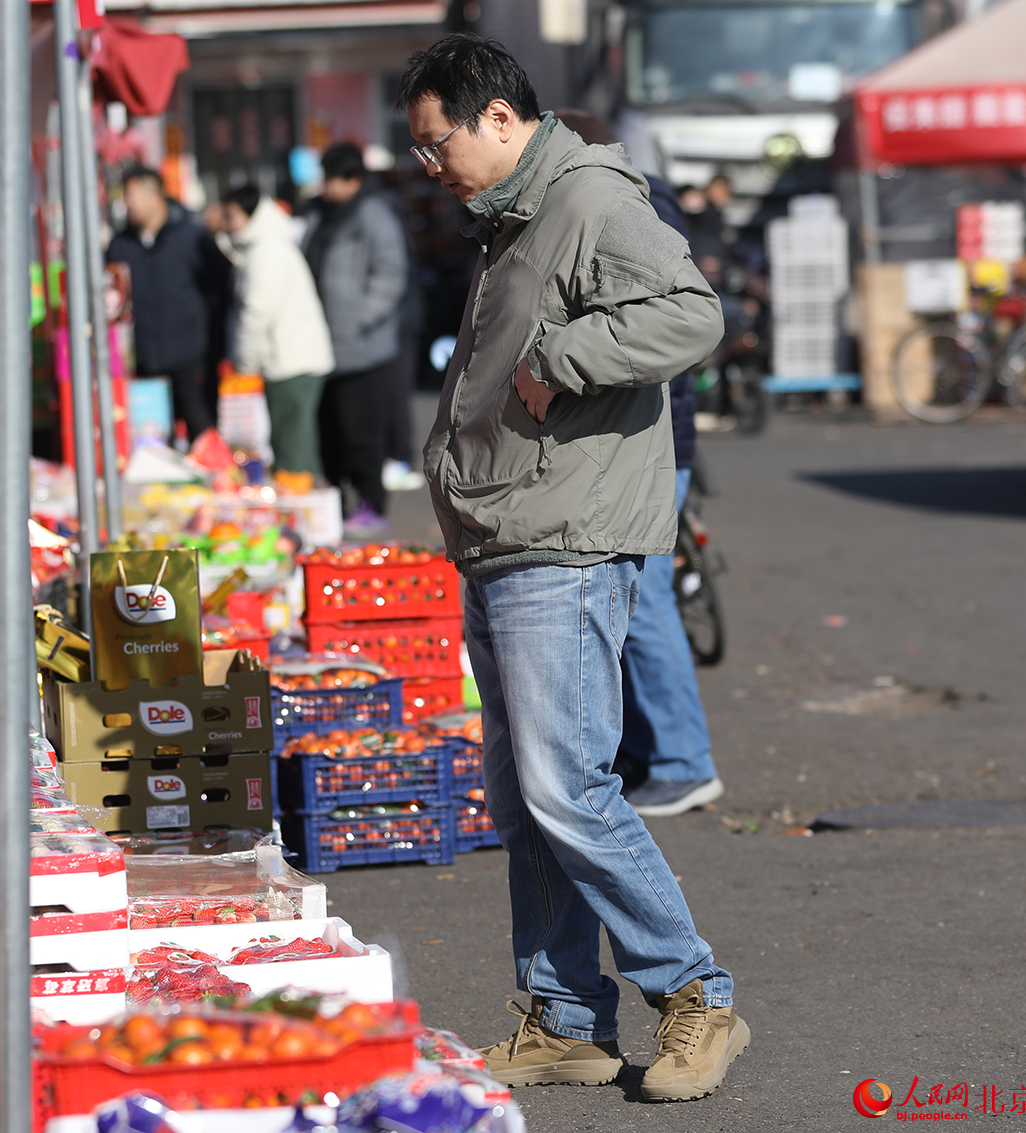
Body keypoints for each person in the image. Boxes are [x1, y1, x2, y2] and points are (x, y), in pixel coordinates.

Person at [401, 35, 746, 1100]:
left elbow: (691, 315)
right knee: (524, 798)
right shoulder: (512, 216)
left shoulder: (586, 199)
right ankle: (561, 1014)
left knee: (566, 784)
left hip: (565, 534)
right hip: (504, 533)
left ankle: (694, 994)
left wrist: (564, 358)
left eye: (435, 142)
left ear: (497, 118)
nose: (429, 165)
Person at [552, 109, 724, 817]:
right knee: (630, 602)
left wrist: (563, 355)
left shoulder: (621, 204)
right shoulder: (616, 199)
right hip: (643, 438)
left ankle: (685, 758)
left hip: (654, 438)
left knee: (644, 603)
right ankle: (653, 751)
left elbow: (681, 324)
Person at [302, 143, 409, 538]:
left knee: (363, 432)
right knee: (330, 434)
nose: (326, 186)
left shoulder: (374, 214)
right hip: (320, 343)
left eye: (334, 178)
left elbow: (391, 274)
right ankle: (338, 505)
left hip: (362, 348)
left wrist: (361, 317)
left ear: (354, 180)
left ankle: (371, 504)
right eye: (324, 177)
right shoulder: (318, 213)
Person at [106, 167, 232, 443]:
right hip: (145, 362)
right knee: (153, 441)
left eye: (131, 195)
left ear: (154, 195)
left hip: (191, 355)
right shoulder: (120, 245)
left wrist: (210, 339)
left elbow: (221, 290)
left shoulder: (192, 238)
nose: (126, 203)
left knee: (203, 433)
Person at [218, 185, 334, 475]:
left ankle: (302, 514)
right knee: (295, 444)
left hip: (290, 364)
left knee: (292, 451)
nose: (227, 224)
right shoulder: (266, 246)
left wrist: (244, 363)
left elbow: (257, 314)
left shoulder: (266, 252)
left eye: (231, 217)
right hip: (292, 360)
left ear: (251, 216)